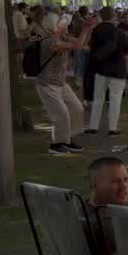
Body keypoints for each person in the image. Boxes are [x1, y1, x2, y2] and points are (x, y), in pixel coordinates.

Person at [35, 11, 95, 155]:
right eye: (60, 22)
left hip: (61, 83)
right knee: (61, 114)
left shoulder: (63, 37)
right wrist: (85, 29)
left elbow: (83, 45)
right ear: (54, 26)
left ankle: (68, 139)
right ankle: (56, 144)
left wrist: (89, 29)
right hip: (47, 83)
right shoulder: (49, 42)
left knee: (77, 108)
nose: (64, 23)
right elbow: (77, 46)